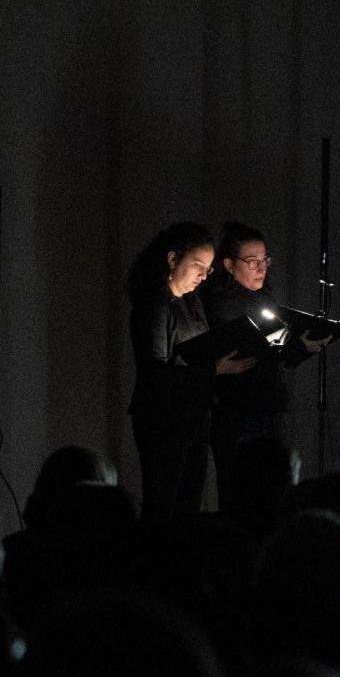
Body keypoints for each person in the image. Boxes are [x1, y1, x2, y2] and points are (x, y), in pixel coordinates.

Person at [201, 221, 330, 515]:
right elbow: (244, 349)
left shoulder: (266, 300)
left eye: (264, 260)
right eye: (252, 261)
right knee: (237, 495)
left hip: (271, 408)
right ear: (229, 265)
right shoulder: (220, 303)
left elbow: (279, 352)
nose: (261, 267)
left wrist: (303, 345)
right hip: (237, 412)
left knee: (273, 497)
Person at [128, 222, 255, 518]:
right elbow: (154, 371)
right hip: (163, 420)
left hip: (195, 415)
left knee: (189, 505)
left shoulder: (192, 302)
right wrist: (214, 369)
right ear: (173, 260)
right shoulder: (155, 304)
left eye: (208, 269)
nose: (202, 275)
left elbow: (203, 349)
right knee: (165, 504)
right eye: (198, 265)